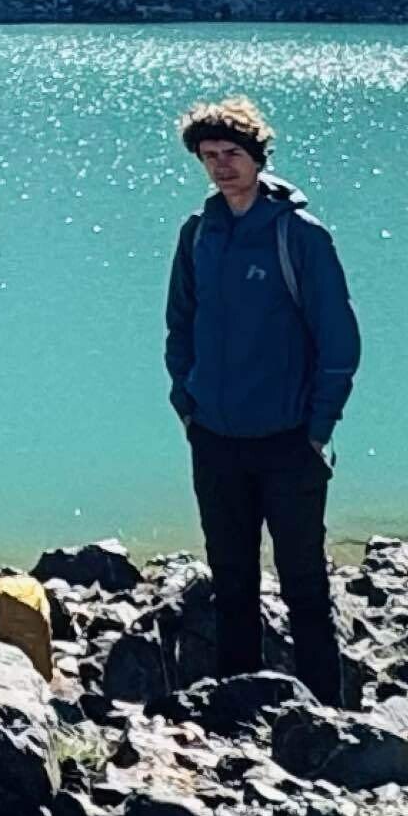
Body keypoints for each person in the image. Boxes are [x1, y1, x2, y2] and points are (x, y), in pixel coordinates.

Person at [159, 94, 358, 700]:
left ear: (258, 157)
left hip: (287, 441)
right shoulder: (199, 234)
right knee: (231, 579)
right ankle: (238, 707)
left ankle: (330, 710)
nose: (222, 166)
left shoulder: (298, 235)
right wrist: (187, 403)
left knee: (304, 584)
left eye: (233, 154)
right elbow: (179, 326)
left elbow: (340, 341)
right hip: (216, 439)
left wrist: (318, 429)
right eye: (210, 155)